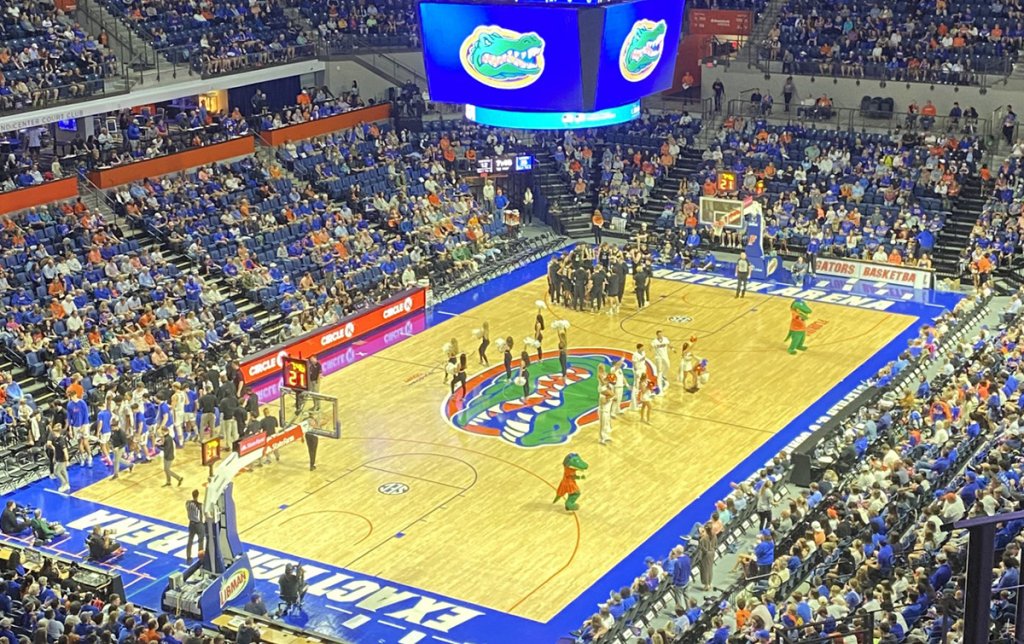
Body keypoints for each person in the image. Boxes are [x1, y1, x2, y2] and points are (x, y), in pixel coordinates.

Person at [695, 523, 716, 591]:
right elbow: (716, 545)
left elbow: (701, 548)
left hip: (706, 555)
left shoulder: (702, 539)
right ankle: (709, 583)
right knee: (710, 568)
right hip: (712, 553)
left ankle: (706, 585)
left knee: (705, 570)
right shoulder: (714, 535)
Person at [185, 489, 204, 564]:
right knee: (201, 541)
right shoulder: (199, 505)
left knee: (190, 541)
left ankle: (188, 557)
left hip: (191, 523)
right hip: (198, 524)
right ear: (198, 495)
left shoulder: (187, 503)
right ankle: (201, 557)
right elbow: (201, 516)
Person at [50, 426, 70, 493]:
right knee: (63, 471)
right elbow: (55, 449)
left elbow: (65, 451)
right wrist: (54, 457)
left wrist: (67, 460)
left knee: (57, 472)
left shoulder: (61, 440)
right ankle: (67, 484)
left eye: (54, 433)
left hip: (62, 459)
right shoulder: (56, 440)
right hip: (58, 458)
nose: (53, 434)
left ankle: (64, 483)